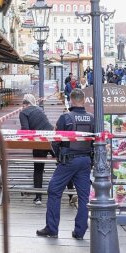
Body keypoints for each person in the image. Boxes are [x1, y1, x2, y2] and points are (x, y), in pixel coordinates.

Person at [36, 89, 94, 240]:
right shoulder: (92, 118)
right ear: (84, 100)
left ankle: (52, 228)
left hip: (68, 161)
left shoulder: (65, 118)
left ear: (71, 100)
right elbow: (95, 142)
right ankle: (80, 231)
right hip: (85, 161)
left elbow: (55, 141)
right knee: (84, 197)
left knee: (54, 191)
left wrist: (59, 157)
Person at [19, 94, 54, 205]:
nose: (22, 107)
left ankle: (38, 197)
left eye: (22, 105)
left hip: (40, 142)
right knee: (62, 163)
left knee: (38, 169)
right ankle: (71, 194)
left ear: (25, 104)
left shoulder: (23, 113)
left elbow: (26, 131)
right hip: (52, 140)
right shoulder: (39, 109)